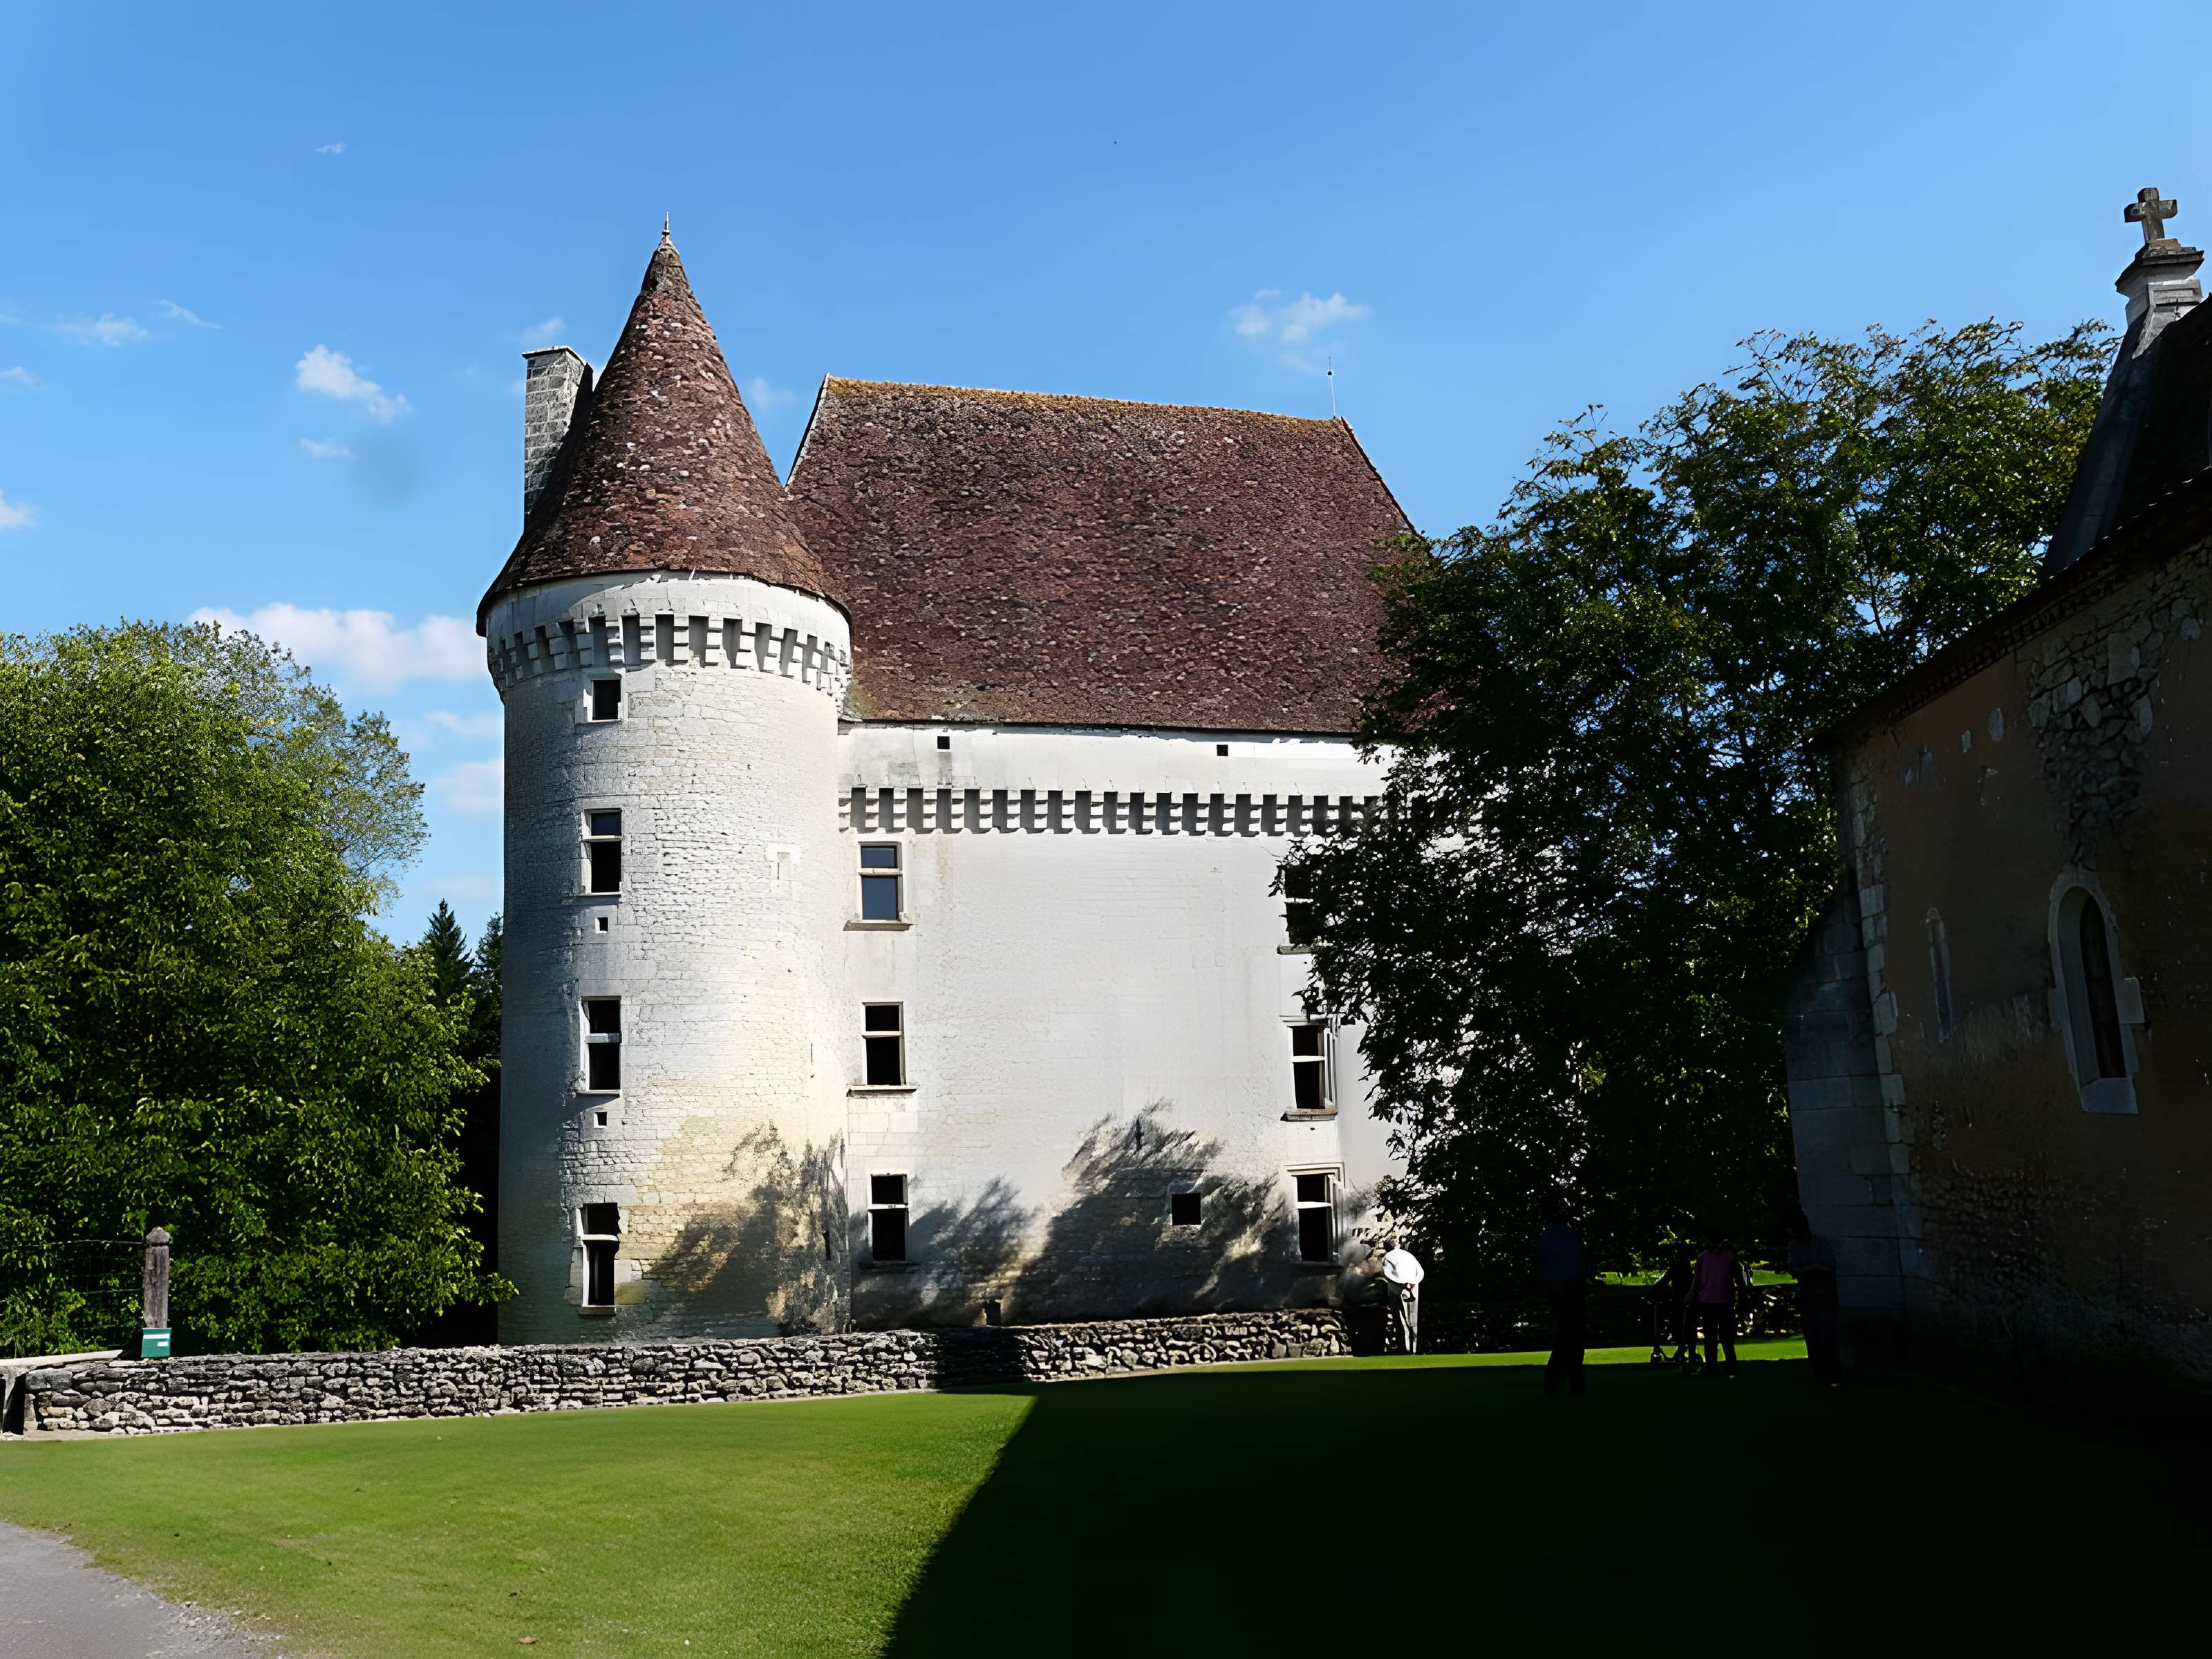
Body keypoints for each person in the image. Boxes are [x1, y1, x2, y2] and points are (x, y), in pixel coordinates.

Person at [1535, 1196, 1587, 1395]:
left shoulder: (1549, 1237)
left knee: (1567, 1337)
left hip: (1562, 1290)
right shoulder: (1569, 1236)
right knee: (1572, 1337)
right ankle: (1571, 1381)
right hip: (1569, 1289)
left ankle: (1562, 1381)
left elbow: (1542, 1265)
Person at [1788, 1210, 1842, 1387]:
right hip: (1808, 1296)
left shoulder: (1819, 1243)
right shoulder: (1795, 1246)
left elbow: (1827, 1267)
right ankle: (1821, 1375)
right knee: (1813, 1339)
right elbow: (1795, 1269)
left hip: (1823, 1295)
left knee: (1827, 1337)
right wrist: (1812, 1268)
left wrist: (1806, 1269)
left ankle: (1833, 1375)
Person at [1688, 1231, 1747, 1377]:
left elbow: (1738, 1279)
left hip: (1721, 1301)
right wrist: (1691, 1294)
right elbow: (1697, 1279)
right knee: (1713, 1337)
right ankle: (1716, 1367)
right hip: (1712, 1301)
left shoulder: (1727, 1258)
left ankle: (1726, 1367)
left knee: (1722, 1337)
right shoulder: (1705, 1258)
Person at [1380, 1243, 1425, 1353]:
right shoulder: (1408, 1255)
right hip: (1412, 1287)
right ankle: (1412, 1349)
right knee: (1413, 1320)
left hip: (1399, 1289)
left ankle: (1406, 1349)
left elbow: (1386, 1273)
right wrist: (1412, 1283)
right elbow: (1420, 1271)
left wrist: (1403, 1284)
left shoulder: (1387, 1257)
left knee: (1401, 1320)